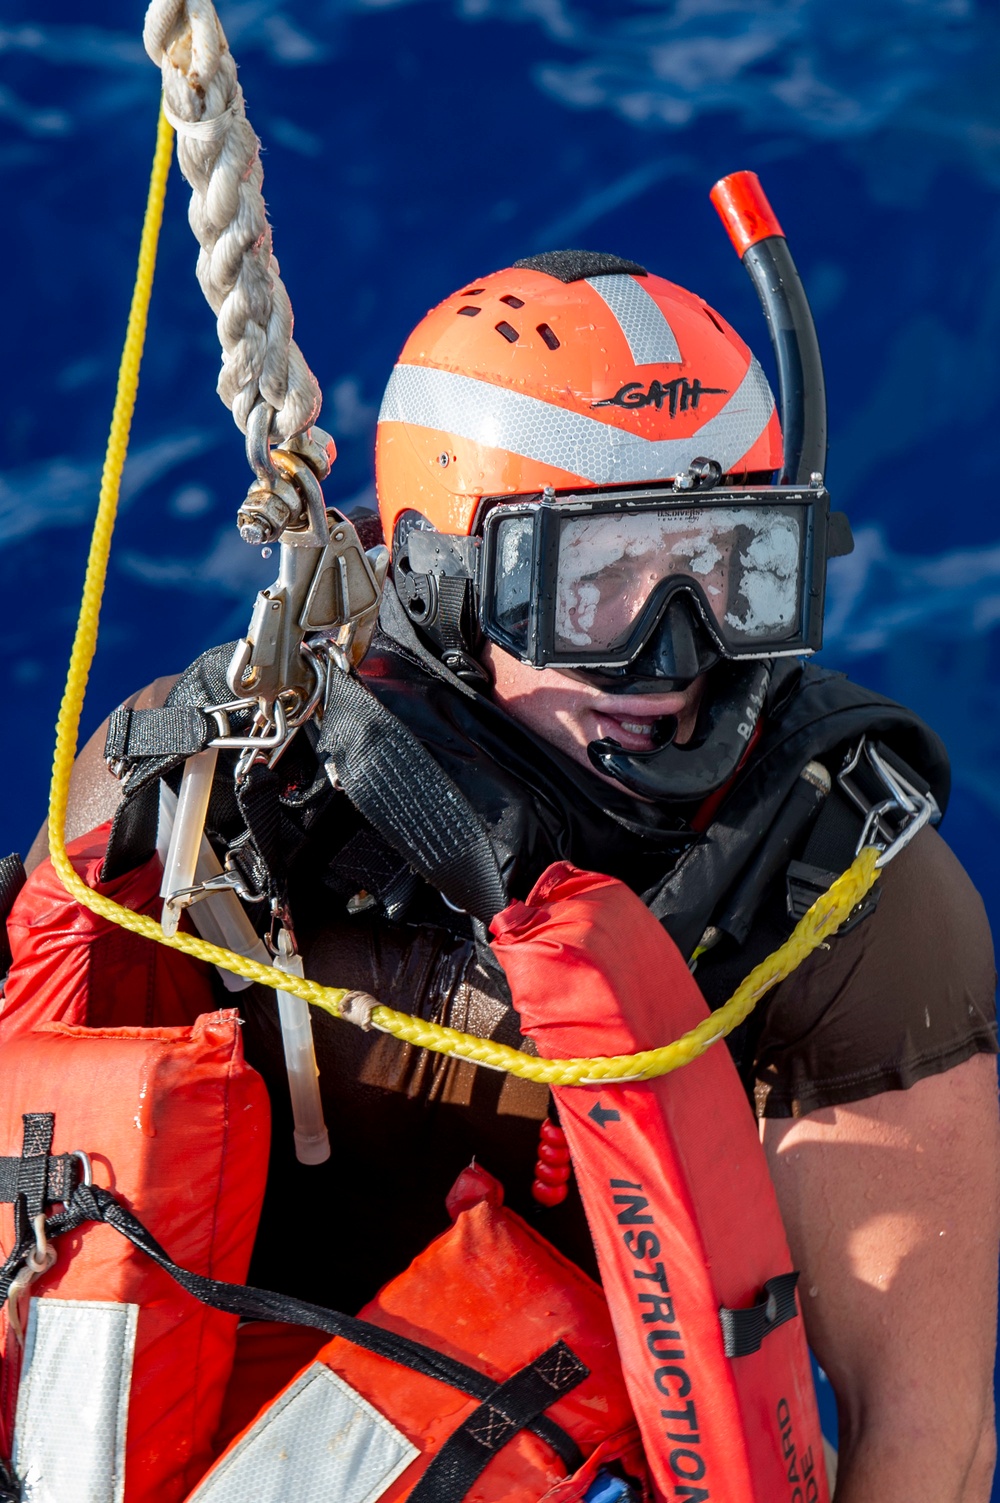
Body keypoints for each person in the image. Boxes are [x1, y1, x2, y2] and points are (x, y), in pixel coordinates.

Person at [38, 250, 1000, 1501]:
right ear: (447, 582)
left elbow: (922, 1437)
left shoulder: (830, 882)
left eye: (729, 569)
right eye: (597, 588)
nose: (676, 657)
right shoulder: (217, 786)